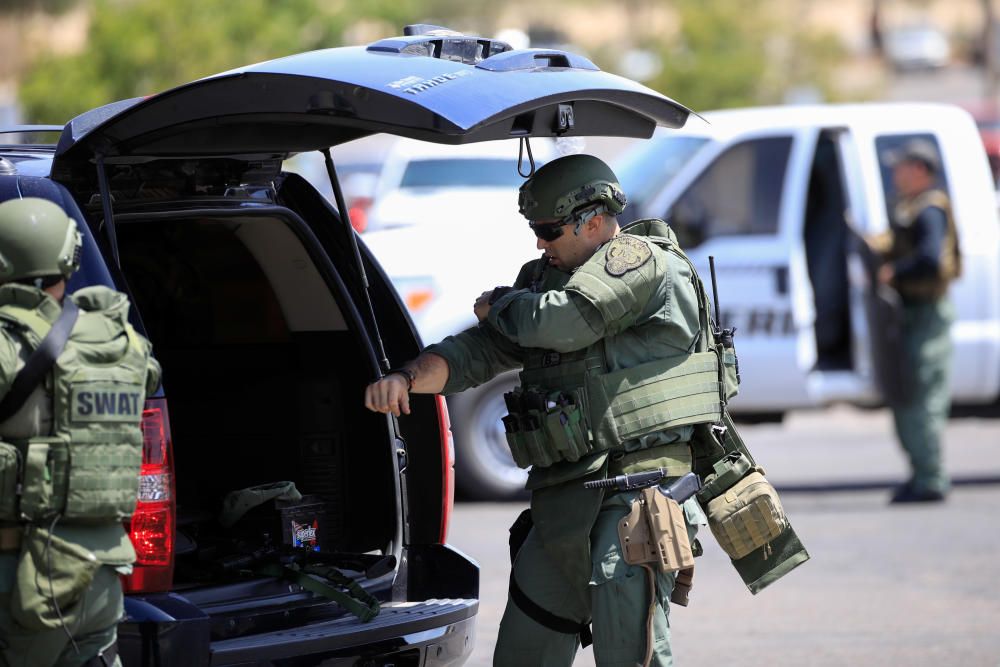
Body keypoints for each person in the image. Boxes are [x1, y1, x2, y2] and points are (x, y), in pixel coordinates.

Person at [365, 154, 728, 665]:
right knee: (525, 648)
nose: (539, 242)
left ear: (595, 221)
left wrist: (502, 305)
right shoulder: (542, 282)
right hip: (567, 497)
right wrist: (407, 378)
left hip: (639, 493)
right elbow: (483, 350)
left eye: (549, 229)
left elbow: (565, 322)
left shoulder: (642, 262)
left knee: (630, 644)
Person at [0, 197, 161, 666]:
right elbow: (148, 374)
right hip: (101, 576)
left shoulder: (8, 346)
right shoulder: (118, 341)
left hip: (21, 579)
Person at [872, 139, 960, 504]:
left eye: (902, 167)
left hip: (927, 314)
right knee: (907, 395)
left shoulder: (929, 210)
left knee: (923, 396)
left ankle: (931, 479)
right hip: (911, 314)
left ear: (920, 170)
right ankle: (921, 474)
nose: (895, 174)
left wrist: (894, 272)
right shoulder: (910, 208)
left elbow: (930, 259)